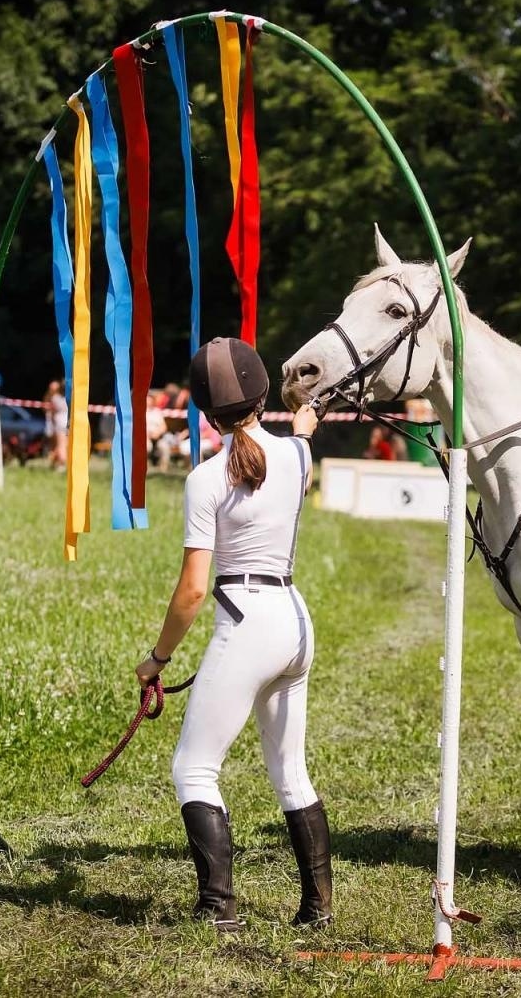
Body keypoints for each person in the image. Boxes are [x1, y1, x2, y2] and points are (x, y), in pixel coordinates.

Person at [132, 337, 328, 932]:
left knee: (193, 769)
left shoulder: (205, 479)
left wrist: (157, 659)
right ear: (262, 394)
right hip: (294, 621)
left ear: (203, 413)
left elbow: (192, 591)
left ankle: (218, 909)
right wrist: (303, 420)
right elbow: (296, 440)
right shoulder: (299, 457)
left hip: (244, 623)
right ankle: (317, 909)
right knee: (290, 771)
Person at [44, 379, 69, 471]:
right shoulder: (70, 398)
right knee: (64, 445)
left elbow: (51, 411)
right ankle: (58, 462)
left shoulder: (55, 398)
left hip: (59, 423)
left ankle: (61, 464)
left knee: (60, 445)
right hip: (68, 422)